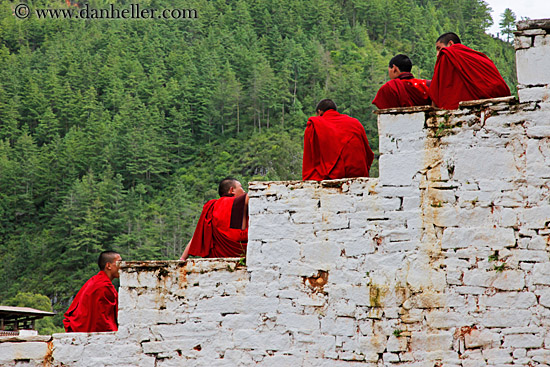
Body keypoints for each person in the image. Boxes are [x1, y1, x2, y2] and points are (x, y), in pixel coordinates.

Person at [429, 32, 511, 110]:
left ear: (450, 44)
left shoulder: (446, 54)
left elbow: (438, 88)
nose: (437, 54)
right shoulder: (482, 58)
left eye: (439, 48)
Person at [302, 99, 374, 181]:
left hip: (333, 174)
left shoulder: (315, 124)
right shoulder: (355, 123)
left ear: (320, 112)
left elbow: (310, 157)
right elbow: (368, 153)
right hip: (358, 172)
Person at [180, 178, 248, 261]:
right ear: (232, 190)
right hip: (243, 257)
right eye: (241, 187)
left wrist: (182, 258)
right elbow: (251, 196)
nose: (244, 191)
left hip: (216, 260)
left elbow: (198, 235)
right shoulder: (233, 203)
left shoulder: (212, 206)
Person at [63, 251, 121, 332]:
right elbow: (103, 319)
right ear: (109, 265)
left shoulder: (96, 281)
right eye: (119, 263)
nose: (121, 266)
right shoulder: (102, 286)